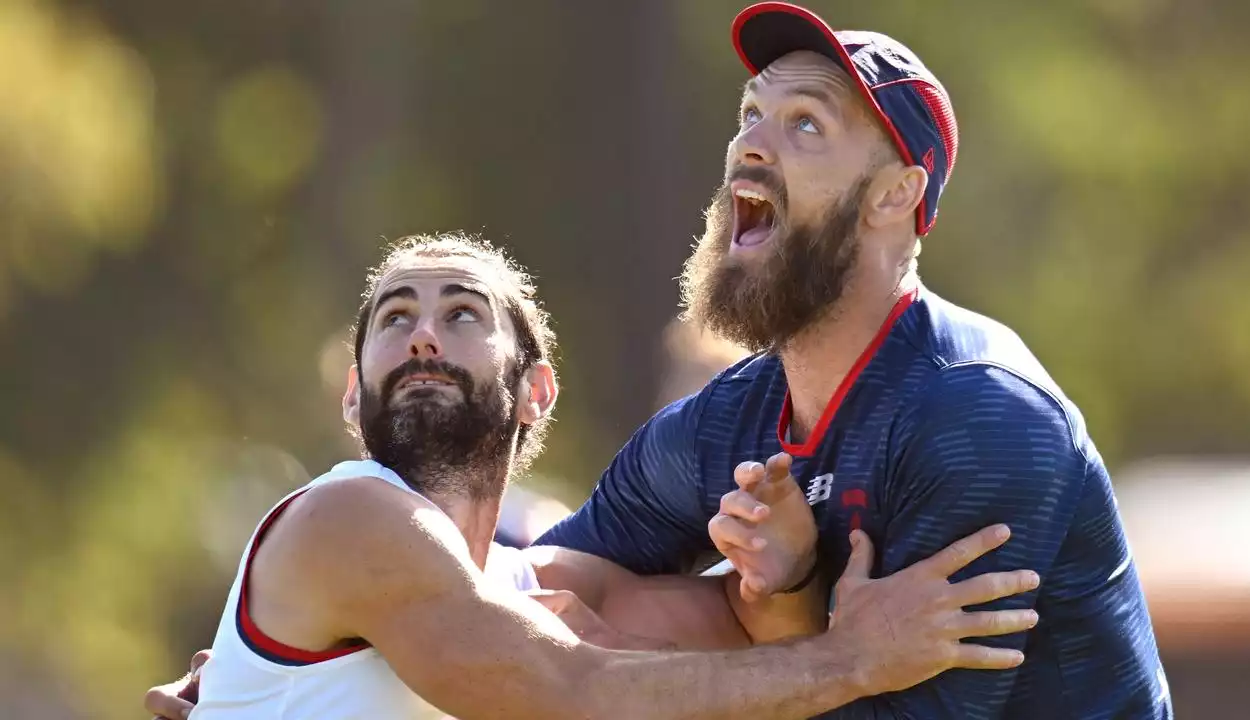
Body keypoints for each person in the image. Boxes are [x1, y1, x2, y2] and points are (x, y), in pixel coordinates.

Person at [530, 2, 1171, 718]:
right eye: (750, 114)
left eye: (805, 122)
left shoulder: (982, 415)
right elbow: (538, 587)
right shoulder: (725, 422)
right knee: (633, 608)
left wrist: (628, 669)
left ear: (896, 193)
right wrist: (392, 565)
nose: (752, 145)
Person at [145, 232, 1040, 719]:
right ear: (354, 396)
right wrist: (858, 660)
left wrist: (787, 575)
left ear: (537, 392)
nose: (423, 334)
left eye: (462, 314)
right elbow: (566, 691)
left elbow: (746, 649)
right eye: (395, 318)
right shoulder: (347, 517)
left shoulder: (543, 588)